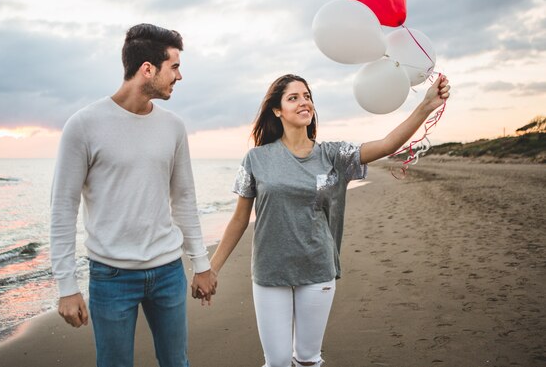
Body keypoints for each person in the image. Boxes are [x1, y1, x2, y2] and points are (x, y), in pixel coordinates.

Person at [206, 73, 450, 367]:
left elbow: (386, 144)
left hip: (318, 268)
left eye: (307, 96)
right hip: (271, 272)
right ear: (277, 109)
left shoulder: (333, 155)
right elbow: (238, 219)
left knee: (308, 359)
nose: (303, 102)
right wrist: (212, 269)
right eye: (293, 97)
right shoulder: (256, 159)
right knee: (278, 362)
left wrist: (425, 106)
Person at [50, 23, 217, 367]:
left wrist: (200, 265)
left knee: (177, 363)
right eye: (174, 66)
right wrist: (67, 285)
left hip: (168, 270)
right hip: (111, 276)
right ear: (147, 70)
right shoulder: (83, 125)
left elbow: (184, 198)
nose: (179, 76)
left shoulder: (173, 126)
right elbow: (63, 208)